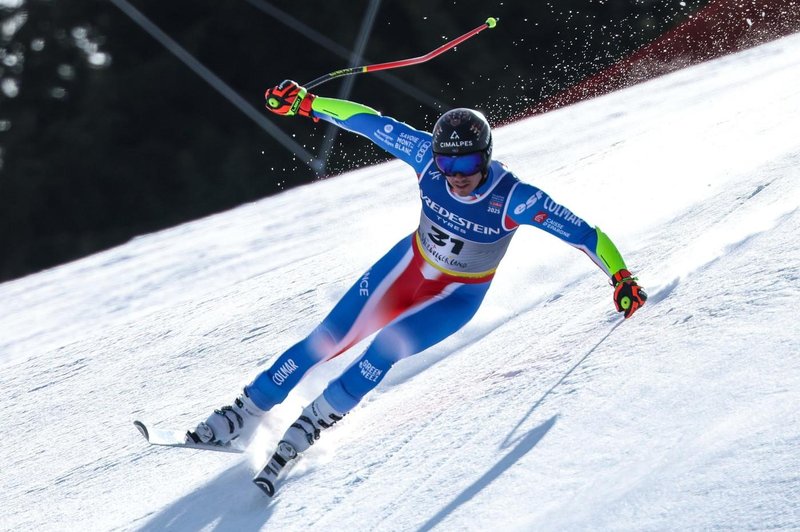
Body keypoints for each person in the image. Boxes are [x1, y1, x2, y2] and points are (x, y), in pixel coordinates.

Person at [187, 80, 647, 464]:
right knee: (325, 341)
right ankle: (244, 412)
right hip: (406, 267)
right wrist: (309, 103)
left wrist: (621, 277)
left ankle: (312, 424)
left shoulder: (516, 198)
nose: (456, 174)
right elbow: (367, 122)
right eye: (448, 162)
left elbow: (585, 235)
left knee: (383, 351)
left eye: (466, 163)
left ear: (484, 156)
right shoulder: (427, 158)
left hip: (457, 298)